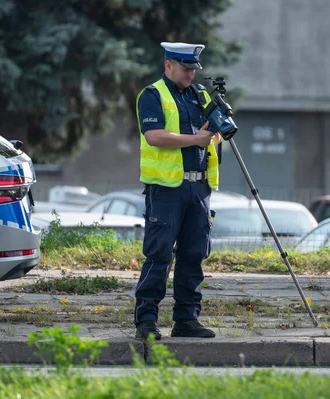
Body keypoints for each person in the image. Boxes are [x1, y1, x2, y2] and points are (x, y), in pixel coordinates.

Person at [134, 42, 222, 340]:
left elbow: (214, 136)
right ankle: (146, 321)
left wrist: (217, 131)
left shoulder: (200, 95)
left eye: (193, 69)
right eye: (185, 68)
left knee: (193, 255)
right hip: (166, 189)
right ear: (168, 65)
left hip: (198, 188)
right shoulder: (152, 95)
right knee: (158, 255)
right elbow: (155, 135)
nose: (190, 74)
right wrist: (196, 139)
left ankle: (186, 319)